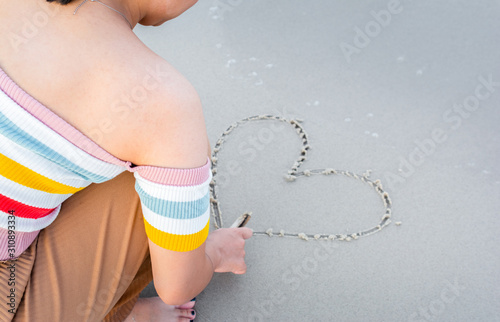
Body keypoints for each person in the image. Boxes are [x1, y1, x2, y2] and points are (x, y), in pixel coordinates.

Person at [0, 0, 253, 320]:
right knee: (156, 175)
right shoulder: (163, 103)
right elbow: (177, 286)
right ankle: (115, 311)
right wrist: (214, 252)